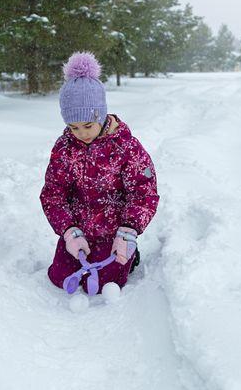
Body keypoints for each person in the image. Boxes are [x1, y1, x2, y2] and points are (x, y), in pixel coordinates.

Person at [39, 51, 160, 294]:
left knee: (108, 283)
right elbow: (53, 194)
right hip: (80, 229)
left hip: (114, 232)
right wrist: (69, 231)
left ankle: (130, 253)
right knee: (60, 277)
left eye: (87, 125)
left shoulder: (126, 147)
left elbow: (144, 192)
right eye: (73, 127)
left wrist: (128, 230)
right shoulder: (64, 149)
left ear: (101, 115)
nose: (81, 133)